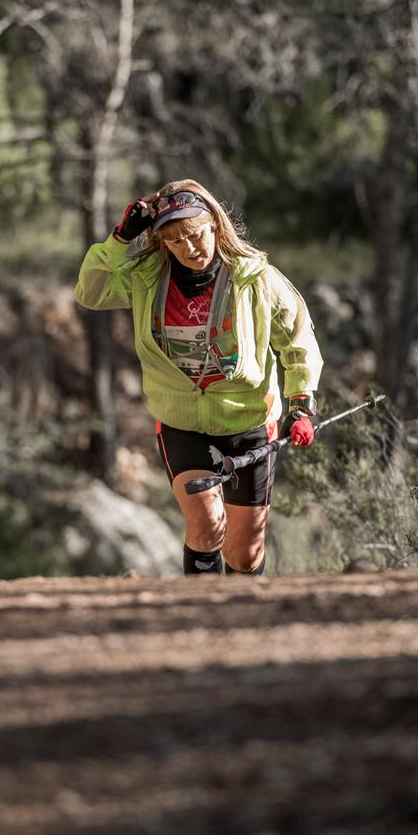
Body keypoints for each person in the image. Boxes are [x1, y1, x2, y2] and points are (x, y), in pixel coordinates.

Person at [75, 179, 323, 576]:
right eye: (174, 241)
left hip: (249, 421)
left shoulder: (254, 279)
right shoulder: (146, 278)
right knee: (206, 526)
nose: (188, 248)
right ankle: (201, 618)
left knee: (244, 554)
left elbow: (297, 339)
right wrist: (120, 239)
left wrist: (301, 402)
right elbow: (91, 292)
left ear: (215, 226)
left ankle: (243, 624)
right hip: (181, 423)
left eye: (194, 235)